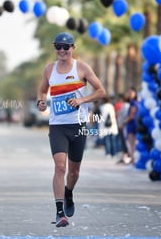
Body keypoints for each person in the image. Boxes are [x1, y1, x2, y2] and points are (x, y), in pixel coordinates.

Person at [37, 32, 106, 227]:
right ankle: (60, 213)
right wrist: (41, 101)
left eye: (66, 47)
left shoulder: (82, 68)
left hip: (78, 125)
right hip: (58, 125)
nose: (62, 50)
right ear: (54, 48)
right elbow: (42, 90)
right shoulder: (49, 70)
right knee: (60, 167)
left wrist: (81, 100)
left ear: (73, 48)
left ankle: (69, 192)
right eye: (58, 46)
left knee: (74, 173)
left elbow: (101, 91)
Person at [123, 86, 139, 165]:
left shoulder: (133, 103)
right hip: (135, 124)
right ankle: (133, 159)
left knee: (132, 144)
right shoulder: (135, 102)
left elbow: (132, 115)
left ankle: (133, 160)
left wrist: (125, 121)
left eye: (131, 93)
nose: (129, 94)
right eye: (128, 93)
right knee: (133, 143)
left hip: (132, 124)